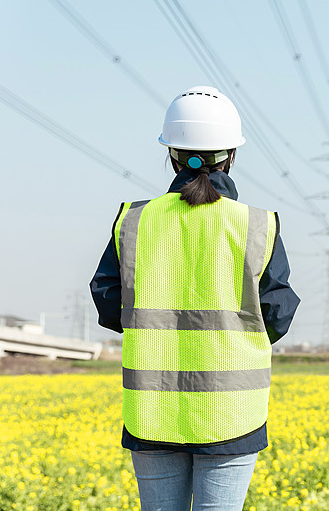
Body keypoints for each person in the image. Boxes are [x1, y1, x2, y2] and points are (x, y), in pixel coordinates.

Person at [90, 86, 300, 511]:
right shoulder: (256, 225)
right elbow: (278, 313)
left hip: (152, 408)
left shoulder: (134, 221)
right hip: (232, 412)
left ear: (172, 154)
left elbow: (108, 300)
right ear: (230, 154)